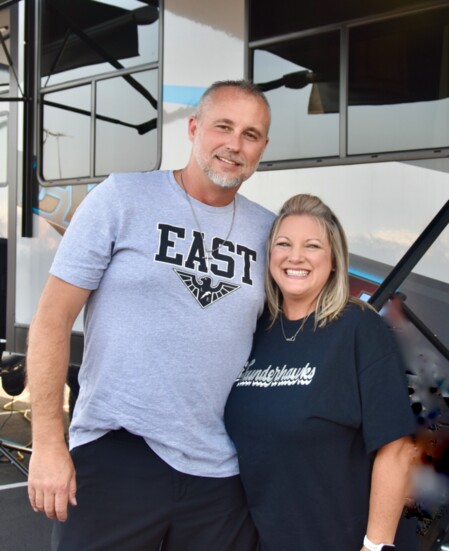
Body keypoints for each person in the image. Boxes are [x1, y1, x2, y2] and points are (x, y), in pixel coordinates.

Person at [26, 80, 273, 551]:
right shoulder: (123, 198)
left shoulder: (268, 231)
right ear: (195, 128)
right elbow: (52, 318)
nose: (234, 145)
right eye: (223, 127)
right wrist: (49, 442)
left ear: (262, 147)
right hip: (117, 453)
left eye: (250, 134)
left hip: (219, 471)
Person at [225, 194, 416, 551]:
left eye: (312, 246)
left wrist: (375, 546)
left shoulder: (358, 328)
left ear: (332, 261)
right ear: (269, 257)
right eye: (283, 244)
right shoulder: (254, 330)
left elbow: (397, 448)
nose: (295, 256)